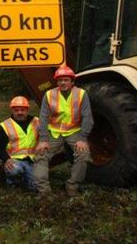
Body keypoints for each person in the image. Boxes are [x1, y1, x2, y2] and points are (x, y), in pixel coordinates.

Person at [35, 65, 94, 196]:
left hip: (74, 131)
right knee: (40, 154)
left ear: (72, 81)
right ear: (57, 82)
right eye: (60, 80)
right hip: (54, 132)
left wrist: (82, 138)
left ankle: (72, 185)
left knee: (83, 154)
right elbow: (43, 118)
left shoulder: (81, 94)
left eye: (66, 80)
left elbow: (88, 117)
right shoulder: (49, 94)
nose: (62, 82)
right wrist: (43, 139)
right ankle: (44, 191)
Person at [0, 96, 38, 192]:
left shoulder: (37, 121)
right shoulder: (4, 126)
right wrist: (6, 159)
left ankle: (26, 180)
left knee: (35, 188)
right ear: (12, 110)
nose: (20, 112)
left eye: (22, 110)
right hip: (14, 160)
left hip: (33, 159)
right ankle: (11, 181)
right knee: (14, 170)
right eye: (16, 110)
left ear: (27, 110)